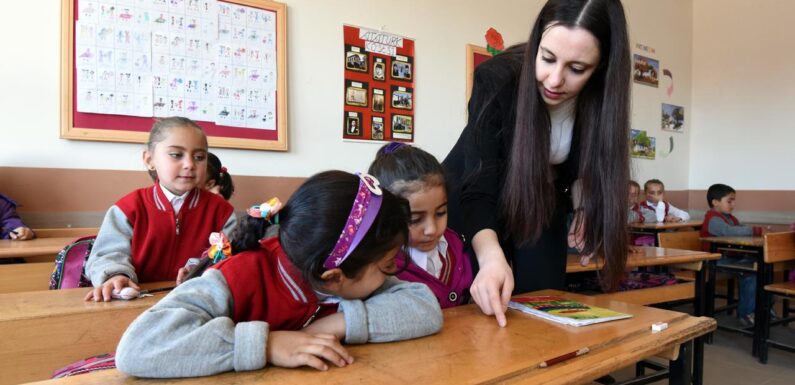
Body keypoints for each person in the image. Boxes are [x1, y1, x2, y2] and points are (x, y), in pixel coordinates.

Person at [114, 171, 443, 378]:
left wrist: (338, 323)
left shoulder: (343, 273)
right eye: (388, 266)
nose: (393, 274)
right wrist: (267, 344)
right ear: (333, 277)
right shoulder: (238, 276)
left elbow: (425, 308)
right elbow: (138, 348)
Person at [442, 0, 631, 326]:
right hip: (473, 199)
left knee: (546, 298)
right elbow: (479, 185)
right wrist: (490, 257)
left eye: (576, 69)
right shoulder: (497, 79)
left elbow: (583, 164)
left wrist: (583, 207)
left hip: (539, 197)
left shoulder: (601, 102)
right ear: (536, 43)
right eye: (547, 58)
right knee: (483, 300)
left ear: (601, 67)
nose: (554, 80)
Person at [85, 117, 237, 302]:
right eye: (176, 155)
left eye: (199, 157)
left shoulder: (222, 212)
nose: (189, 164)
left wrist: (201, 268)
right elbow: (108, 254)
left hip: (196, 301)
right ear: (149, 160)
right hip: (135, 301)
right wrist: (115, 275)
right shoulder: (128, 208)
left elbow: (233, 260)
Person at [368, 142, 473, 308]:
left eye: (440, 213)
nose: (432, 229)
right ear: (383, 215)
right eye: (415, 219)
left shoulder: (457, 245)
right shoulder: (379, 267)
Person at [700, 183, 764, 326]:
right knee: (749, 273)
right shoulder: (713, 218)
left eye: (734, 200)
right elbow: (728, 231)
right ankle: (746, 313)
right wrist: (755, 230)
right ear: (715, 202)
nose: (733, 204)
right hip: (714, 260)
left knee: (762, 268)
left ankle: (762, 309)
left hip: (730, 258)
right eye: (729, 201)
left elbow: (738, 228)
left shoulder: (731, 218)